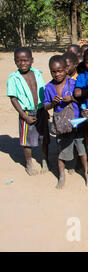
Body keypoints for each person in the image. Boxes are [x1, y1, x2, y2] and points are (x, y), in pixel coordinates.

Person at [44, 56, 88, 189]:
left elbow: (82, 101)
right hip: (61, 124)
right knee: (62, 150)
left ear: (66, 69)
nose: (57, 74)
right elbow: (45, 106)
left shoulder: (73, 83)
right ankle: (61, 175)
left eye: (60, 70)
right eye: (53, 71)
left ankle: (86, 173)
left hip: (77, 122)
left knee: (82, 150)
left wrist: (72, 99)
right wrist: (53, 103)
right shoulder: (49, 87)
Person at [7, 47, 50, 176]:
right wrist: (23, 116)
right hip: (26, 113)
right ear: (15, 61)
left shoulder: (37, 73)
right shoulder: (14, 78)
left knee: (44, 138)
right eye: (19, 61)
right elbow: (13, 98)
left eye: (25, 60)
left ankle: (44, 159)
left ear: (32, 60)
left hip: (41, 110)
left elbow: (42, 92)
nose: (22, 63)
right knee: (27, 141)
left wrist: (45, 109)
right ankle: (29, 163)